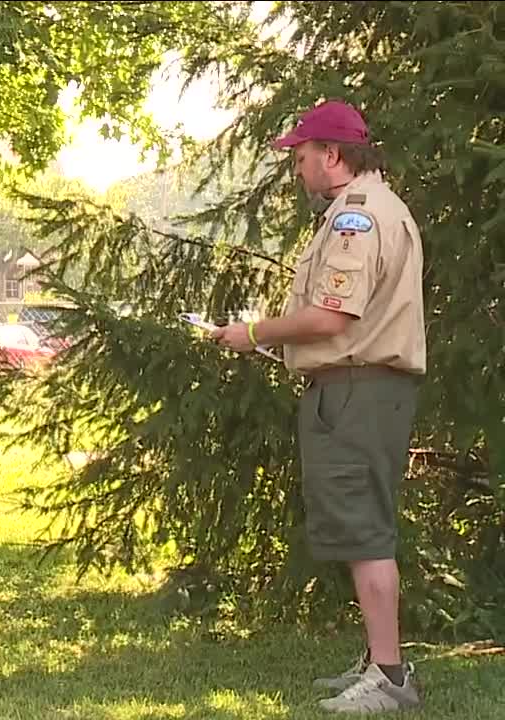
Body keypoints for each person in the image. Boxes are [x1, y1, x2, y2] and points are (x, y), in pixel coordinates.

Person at [211, 99, 425, 713]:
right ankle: (379, 660)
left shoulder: (356, 218)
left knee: (366, 533)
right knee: (364, 525)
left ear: (332, 155)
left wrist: (250, 334)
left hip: (358, 388)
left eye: (302, 157)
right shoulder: (373, 209)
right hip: (361, 387)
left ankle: (390, 679)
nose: (298, 170)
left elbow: (332, 315)